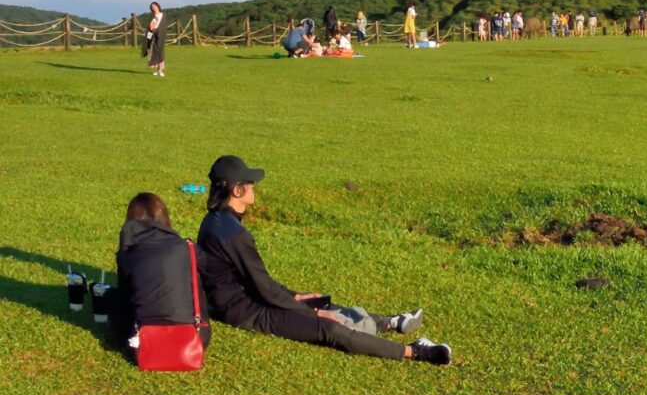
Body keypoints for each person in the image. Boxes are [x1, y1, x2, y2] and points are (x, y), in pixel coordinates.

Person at [196, 155, 449, 364]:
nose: (254, 187)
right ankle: (417, 351)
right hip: (246, 312)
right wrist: (312, 311)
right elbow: (264, 289)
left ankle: (391, 322)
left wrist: (296, 297)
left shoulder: (214, 220)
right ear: (237, 190)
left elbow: (258, 282)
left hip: (248, 301)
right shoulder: (234, 234)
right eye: (250, 183)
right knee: (328, 327)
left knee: (317, 302)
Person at [116, 192, 209, 354]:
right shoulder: (188, 248)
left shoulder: (129, 253)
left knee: (112, 300)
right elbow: (207, 270)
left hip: (142, 341)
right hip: (195, 337)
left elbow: (125, 296)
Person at [145, 1, 166, 78]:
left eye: (155, 6)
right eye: (152, 7)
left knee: (160, 52)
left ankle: (161, 70)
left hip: (160, 36)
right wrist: (149, 37)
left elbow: (163, 27)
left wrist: (159, 32)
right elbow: (150, 27)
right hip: (153, 35)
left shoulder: (162, 15)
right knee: (154, 52)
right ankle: (157, 70)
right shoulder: (152, 16)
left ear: (158, 6)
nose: (154, 8)